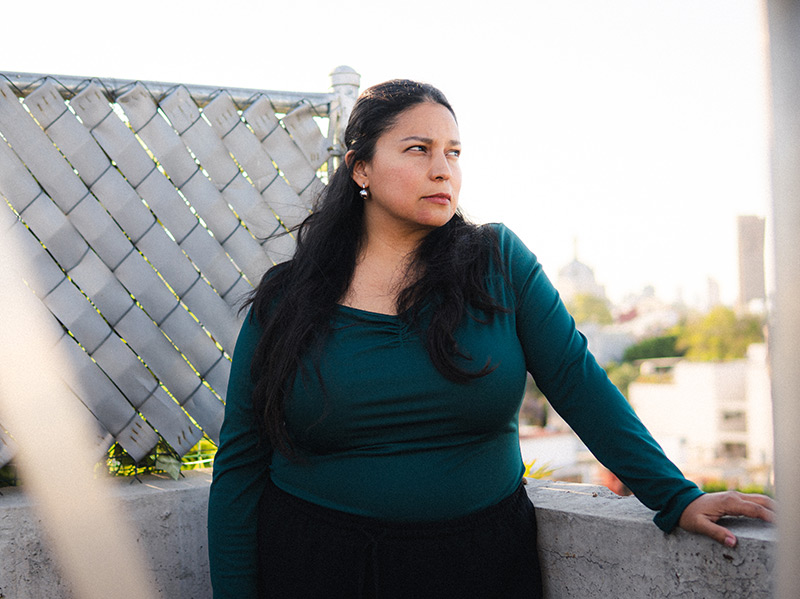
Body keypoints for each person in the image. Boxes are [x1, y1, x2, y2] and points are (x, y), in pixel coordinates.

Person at [207, 79, 774, 598]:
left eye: (453, 153)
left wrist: (675, 495)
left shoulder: (498, 262)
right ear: (361, 169)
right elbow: (241, 461)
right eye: (418, 149)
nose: (443, 171)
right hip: (319, 566)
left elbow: (578, 383)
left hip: (481, 564)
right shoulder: (287, 298)